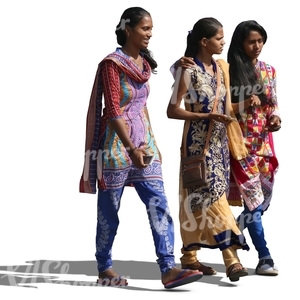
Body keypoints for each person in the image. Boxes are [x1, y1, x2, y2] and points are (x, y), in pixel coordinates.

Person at [79, 7, 203, 288]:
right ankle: (105, 266)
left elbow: (155, 96)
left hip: (145, 143)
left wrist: (181, 65)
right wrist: (130, 147)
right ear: (128, 29)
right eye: (145, 29)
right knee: (110, 210)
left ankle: (168, 268)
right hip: (116, 146)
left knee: (159, 204)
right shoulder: (112, 64)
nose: (149, 34)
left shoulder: (144, 65)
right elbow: (113, 110)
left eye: (151, 30)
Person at [167, 17, 249, 282]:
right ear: (204, 41)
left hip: (220, 146)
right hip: (196, 146)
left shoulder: (221, 69)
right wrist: (205, 118)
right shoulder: (187, 71)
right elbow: (171, 109)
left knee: (197, 203)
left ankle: (190, 257)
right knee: (214, 200)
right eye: (219, 38)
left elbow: (227, 106)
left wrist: (250, 103)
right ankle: (232, 259)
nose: (223, 42)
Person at [227, 20, 280, 276]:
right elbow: (221, 109)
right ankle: (264, 257)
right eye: (251, 41)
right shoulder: (228, 71)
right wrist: (246, 102)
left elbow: (273, 103)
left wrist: (275, 118)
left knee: (262, 202)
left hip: (264, 147)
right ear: (241, 43)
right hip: (240, 147)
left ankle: (236, 228)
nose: (257, 46)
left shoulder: (269, 71)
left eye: (260, 40)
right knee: (255, 202)